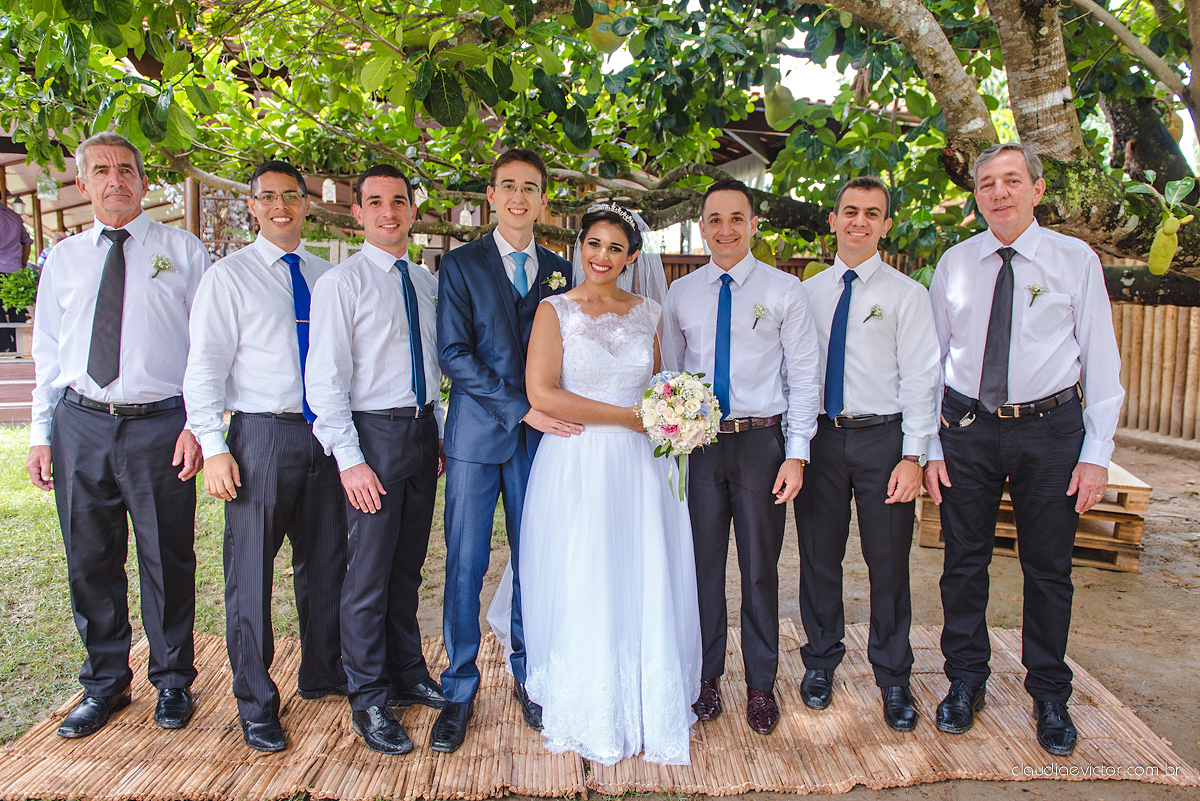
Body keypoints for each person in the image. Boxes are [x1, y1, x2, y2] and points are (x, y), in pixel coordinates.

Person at [923, 142, 1124, 757]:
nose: (1000, 193)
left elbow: (1102, 362)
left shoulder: (1075, 260)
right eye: (987, 183)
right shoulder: (955, 263)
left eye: (1012, 181)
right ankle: (965, 681)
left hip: (1050, 431)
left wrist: (1096, 453)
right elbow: (930, 361)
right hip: (966, 430)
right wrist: (928, 443)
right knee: (963, 563)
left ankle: (1050, 692)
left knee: (1047, 568)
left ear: (1036, 190)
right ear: (976, 195)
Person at [26, 131, 207, 738]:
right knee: (90, 558)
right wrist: (41, 431)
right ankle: (104, 684)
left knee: (167, 559)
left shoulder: (182, 251)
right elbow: (48, 351)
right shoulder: (64, 261)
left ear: (143, 180)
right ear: (83, 184)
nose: (115, 180)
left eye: (125, 169)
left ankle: (174, 681)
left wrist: (198, 426)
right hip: (80, 422)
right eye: (100, 170)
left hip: (160, 425)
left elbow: (206, 351)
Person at [519, 205, 701, 765]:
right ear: (580, 247)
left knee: (639, 569)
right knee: (586, 569)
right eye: (594, 244)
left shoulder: (648, 311)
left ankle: (645, 699)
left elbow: (659, 386)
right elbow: (542, 393)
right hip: (578, 459)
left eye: (615, 248)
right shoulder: (554, 311)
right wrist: (624, 418)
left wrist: (677, 416)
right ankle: (591, 705)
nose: (602, 256)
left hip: (639, 465)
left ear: (631, 257)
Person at [183, 160, 348, 753]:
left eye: (291, 196)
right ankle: (255, 700)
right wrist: (214, 445)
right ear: (252, 206)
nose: (280, 206)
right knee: (249, 572)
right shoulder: (228, 278)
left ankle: (323, 670)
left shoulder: (329, 276)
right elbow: (203, 366)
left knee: (327, 562)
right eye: (268, 197)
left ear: (308, 203)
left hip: (325, 435)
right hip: (260, 434)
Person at [662, 177, 820, 735]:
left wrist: (795, 454)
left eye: (736, 218)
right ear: (702, 226)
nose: (724, 229)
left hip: (761, 443)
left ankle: (759, 684)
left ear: (754, 224)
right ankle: (706, 679)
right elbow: (673, 376)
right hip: (702, 446)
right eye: (713, 219)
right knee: (701, 568)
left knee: (758, 571)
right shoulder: (681, 294)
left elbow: (804, 379)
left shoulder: (784, 291)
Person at [433, 149, 577, 754]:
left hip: (542, 442)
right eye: (508, 186)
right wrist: (520, 407)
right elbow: (454, 354)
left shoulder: (561, 269)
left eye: (531, 188)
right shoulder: (459, 265)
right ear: (491, 196)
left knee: (533, 559)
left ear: (544, 201)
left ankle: (531, 676)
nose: (519, 197)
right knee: (465, 562)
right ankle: (459, 687)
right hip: (474, 437)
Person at [306, 165, 446, 755]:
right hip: (372, 437)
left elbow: (434, 366)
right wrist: (350, 460)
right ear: (358, 213)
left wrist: (435, 432)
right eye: (376, 203)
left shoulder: (427, 282)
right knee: (366, 574)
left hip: (419, 435)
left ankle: (408, 671)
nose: (389, 212)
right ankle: (368, 697)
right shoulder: (342, 284)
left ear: (413, 210)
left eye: (399, 202)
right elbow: (325, 380)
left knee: (407, 567)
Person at [793, 176, 940, 731]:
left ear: (886, 225)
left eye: (872, 213)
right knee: (818, 556)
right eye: (849, 211)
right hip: (822, 439)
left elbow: (922, 378)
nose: (859, 221)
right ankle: (822, 660)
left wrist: (914, 456)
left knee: (887, 563)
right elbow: (799, 373)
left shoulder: (908, 296)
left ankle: (894, 676)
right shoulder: (804, 294)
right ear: (832, 220)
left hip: (885, 441)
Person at [0, 193, 32, 352]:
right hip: (14, 270)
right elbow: (27, 242)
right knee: (16, 309)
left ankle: (5, 346)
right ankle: (21, 347)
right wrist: (23, 264)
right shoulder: (14, 216)